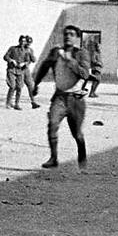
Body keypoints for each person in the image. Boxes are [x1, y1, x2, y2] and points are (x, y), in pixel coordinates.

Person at [33, 26, 92, 172]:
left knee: (77, 134)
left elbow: (85, 74)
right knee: (52, 124)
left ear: (77, 38)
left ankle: (82, 159)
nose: (68, 37)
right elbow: (44, 66)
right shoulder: (56, 52)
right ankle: (53, 158)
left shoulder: (81, 53)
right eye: (66, 34)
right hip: (59, 97)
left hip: (76, 100)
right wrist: (36, 84)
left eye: (72, 34)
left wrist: (70, 60)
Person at [3, 35, 37, 109]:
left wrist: (25, 63)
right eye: (21, 41)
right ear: (19, 41)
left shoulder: (27, 51)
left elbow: (31, 60)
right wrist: (11, 60)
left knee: (20, 87)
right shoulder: (13, 48)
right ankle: (8, 103)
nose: (23, 43)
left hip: (21, 71)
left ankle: (17, 104)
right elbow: (5, 56)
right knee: (12, 86)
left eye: (24, 41)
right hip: (12, 70)